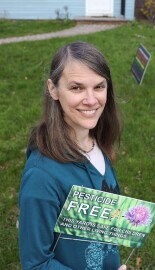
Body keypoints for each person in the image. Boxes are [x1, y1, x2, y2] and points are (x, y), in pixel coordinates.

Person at [18, 41, 126, 270]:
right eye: (76, 88)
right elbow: (37, 264)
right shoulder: (42, 176)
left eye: (99, 87)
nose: (91, 100)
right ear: (53, 89)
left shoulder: (97, 142)